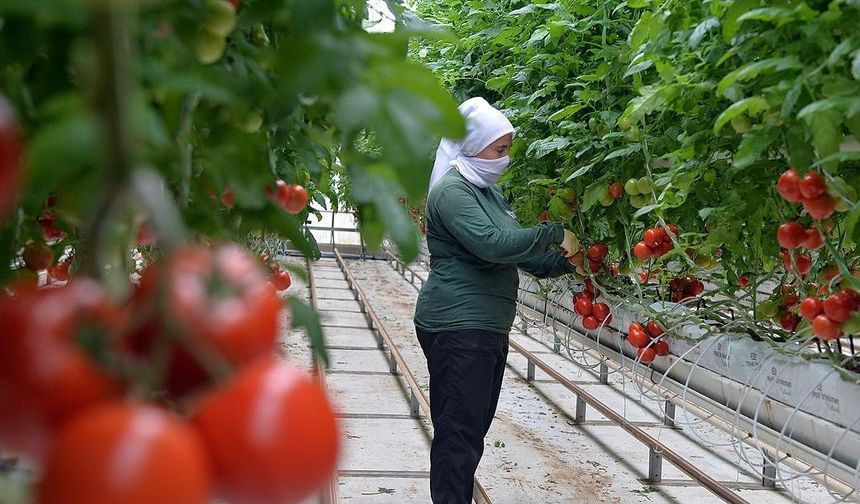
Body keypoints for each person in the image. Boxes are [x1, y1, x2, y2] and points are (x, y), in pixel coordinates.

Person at [414, 97, 578, 504]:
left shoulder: (487, 192)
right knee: (459, 435)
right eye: (499, 149)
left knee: (470, 430)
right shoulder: (452, 191)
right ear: (473, 143)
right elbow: (493, 245)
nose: (504, 159)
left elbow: (522, 255)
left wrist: (575, 264)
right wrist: (555, 232)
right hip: (458, 326)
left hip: (484, 328)